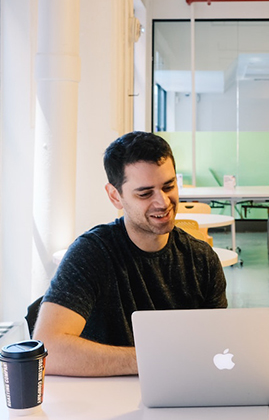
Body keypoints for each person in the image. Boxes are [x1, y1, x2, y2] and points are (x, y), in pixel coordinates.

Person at [33, 132, 227, 377]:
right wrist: (150, 360)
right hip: (105, 402)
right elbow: (47, 347)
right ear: (115, 196)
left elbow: (219, 345)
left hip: (183, 391)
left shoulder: (202, 259)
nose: (163, 202)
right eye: (145, 194)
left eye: (169, 186)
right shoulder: (92, 253)